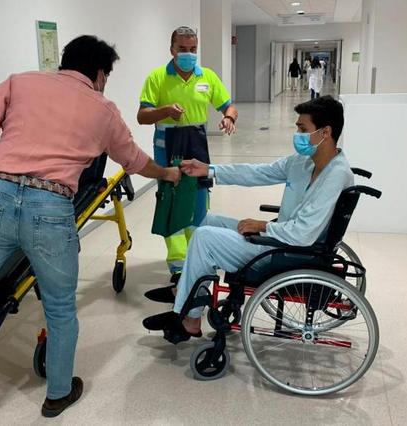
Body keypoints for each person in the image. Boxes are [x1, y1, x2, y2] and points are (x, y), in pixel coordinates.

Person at [0, 35, 180, 425]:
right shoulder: (103, 108)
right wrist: (167, 173)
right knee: (59, 308)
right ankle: (58, 394)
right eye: (106, 76)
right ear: (100, 73)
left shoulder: (20, 82)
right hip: (50, 204)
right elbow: (134, 160)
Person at [142, 96, 354, 340]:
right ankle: (184, 291)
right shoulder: (304, 162)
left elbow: (303, 233)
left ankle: (189, 318)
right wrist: (209, 170)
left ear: (325, 132)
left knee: (203, 238)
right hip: (280, 237)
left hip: (289, 250)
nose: (297, 134)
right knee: (206, 221)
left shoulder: (336, 175)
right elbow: (257, 172)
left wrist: (263, 226)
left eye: (302, 128)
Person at [137, 26, 238, 281]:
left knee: (198, 199)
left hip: (196, 143)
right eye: (182, 49)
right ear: (172, 49)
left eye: (193, 49)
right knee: (172, 199)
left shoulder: (207, 77)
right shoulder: (157, 77)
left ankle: (199, 253)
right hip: (167, 144)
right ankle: (178, 263)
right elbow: (142, 116)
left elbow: (229, 106)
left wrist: (228, 117)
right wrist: (165, 110)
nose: (188, 54)